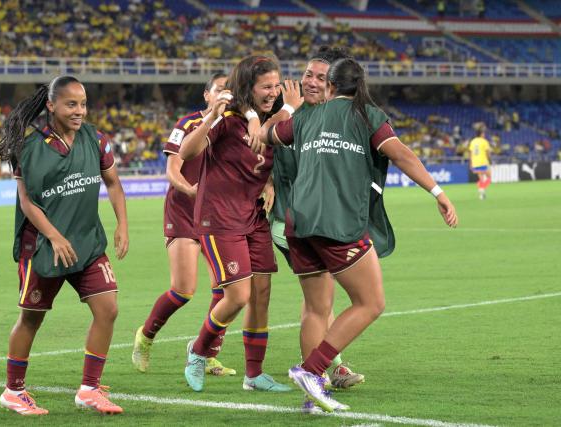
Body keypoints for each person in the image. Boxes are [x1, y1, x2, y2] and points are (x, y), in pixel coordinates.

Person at [255, 57, 458, 412]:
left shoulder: (303, 117)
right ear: (359, 86)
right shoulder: (367, 116)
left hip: (298, 225)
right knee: (371, 302)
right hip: (337, 224)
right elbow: (402, 155)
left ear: (331, 85)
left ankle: (313, 398)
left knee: (316, 309)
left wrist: (288, 108)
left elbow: (264, 135)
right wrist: (438, 192)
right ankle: (312, 371)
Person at [0, 76, 129, 415]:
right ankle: (13, 391)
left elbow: (114, 183)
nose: (80, 111)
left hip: (88, 243)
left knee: (108, 309)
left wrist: (122, 224)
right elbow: (27, 202)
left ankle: (90, 389)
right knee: (31, 319)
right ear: (51, 106)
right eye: (71, 104)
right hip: (44, 248)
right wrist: (54, 235)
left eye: (83, 104)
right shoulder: (29, 149)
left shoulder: (95, 139)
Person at [250, 47, 365, 404]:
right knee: (319, 301)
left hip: (323, 220)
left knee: (320, 301)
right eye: (309, 75)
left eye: (321, 77)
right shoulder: (293, 111)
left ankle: (322, 368)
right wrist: (268, 181)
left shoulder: (337, 117)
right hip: (294, 221)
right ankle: (317, 371)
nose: (312, 82)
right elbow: (260, 137)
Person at [178, 55, 299, 393]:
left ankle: (254, 375)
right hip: (218, 217)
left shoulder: (269, 120)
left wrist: (270, 182)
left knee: (261, 295)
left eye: (277, 85)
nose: (274, 92)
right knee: (238, 295)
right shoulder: (229, 117)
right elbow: (188, 152)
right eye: (266, 86)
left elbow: (266, 157)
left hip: (253, 216)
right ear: (249, 86)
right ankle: (198, 351)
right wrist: (210, 117)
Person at [132, 73, 236, 377]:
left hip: (217, 214)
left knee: (226, 290)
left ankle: (205, 352)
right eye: (219, 90)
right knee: (183, 290)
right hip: (184, 212)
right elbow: (173, 168)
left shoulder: (234, 126)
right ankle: (146, 336)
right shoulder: (187, 124)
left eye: (229, 91)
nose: (224, 95)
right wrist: (190, 190)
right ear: (207, 95)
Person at [468, 126, 492, 200]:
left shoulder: (473, 141)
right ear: (481, 134)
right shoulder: (484, 141)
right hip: (483, 162)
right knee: (489, 177)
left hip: (475, 163)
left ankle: (481, 194)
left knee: (481, 178)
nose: (484, 134)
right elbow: (487, 152)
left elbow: (470, 152)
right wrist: (490, 160)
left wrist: (470, 163)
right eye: (483, 133)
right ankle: (481, 188)